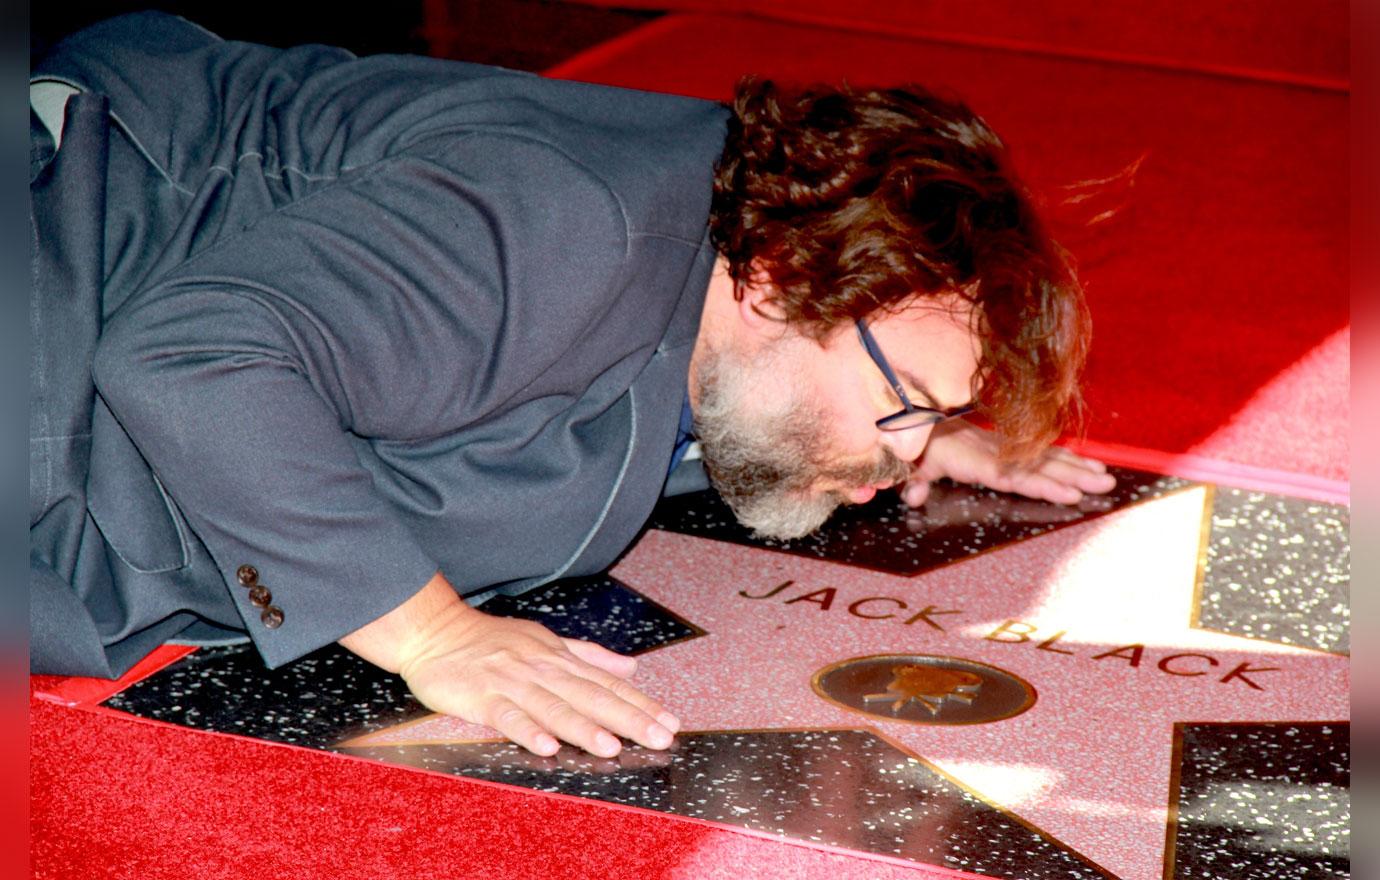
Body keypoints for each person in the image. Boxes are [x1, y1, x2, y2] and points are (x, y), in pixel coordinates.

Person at [30, 12, 1115, 758]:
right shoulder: (567, 225)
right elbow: (193, 356)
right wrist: (431, 636)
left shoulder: (726, 285)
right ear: (786, 282)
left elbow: (634, 404)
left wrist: (912, 429)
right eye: (907, 400)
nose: (907, 448)